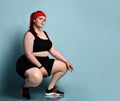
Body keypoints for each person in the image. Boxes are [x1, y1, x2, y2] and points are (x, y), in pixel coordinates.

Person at [16, 10, 73, 99]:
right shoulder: (29, 34)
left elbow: (53, 50)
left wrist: (66, 61)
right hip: (29, 62)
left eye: (45, 20)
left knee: (64, 66)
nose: (43, 21)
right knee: (36, 78)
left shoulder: (45, 34)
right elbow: (28, 54)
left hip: (44, 60)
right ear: (34, 20)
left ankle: (50, 89)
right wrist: (40, 67)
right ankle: (25, 87)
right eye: (40, 18)